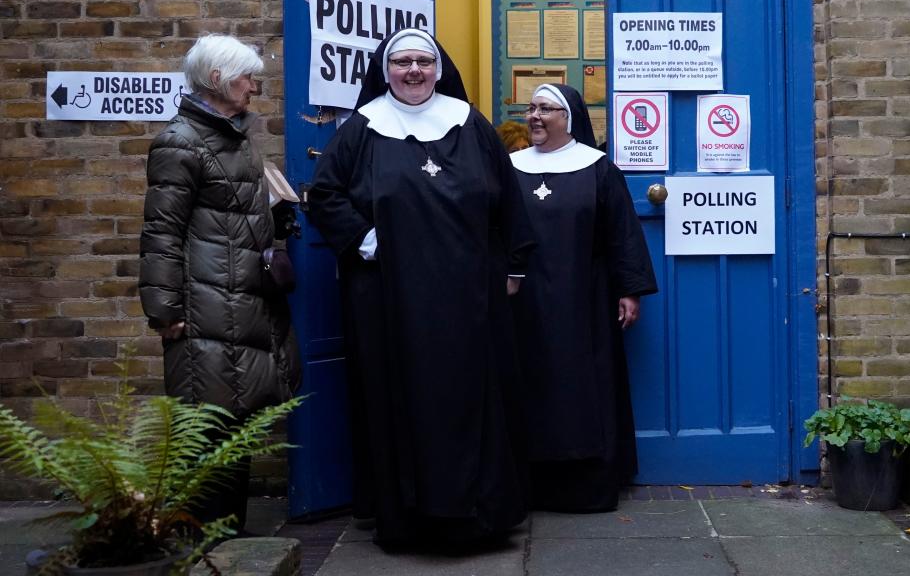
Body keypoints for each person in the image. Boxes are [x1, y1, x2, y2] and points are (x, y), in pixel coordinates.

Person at [307, 28, 536, 547]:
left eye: (424, 61)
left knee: (474, 395)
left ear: (439, 67)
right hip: (391, 298)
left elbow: (508, 203)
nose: (414, 71)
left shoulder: (470, 124)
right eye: (402, 62)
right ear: (385, 70)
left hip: (471, 295)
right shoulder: (363, 128)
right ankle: (407, 519)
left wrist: (515, 267)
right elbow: (324, 194)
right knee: (398, 396)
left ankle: (480, 515)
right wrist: (365, 241)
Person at [138, 34, 300, 531]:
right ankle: (206, 540)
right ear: (217, 81)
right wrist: (165, 311)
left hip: (243, 302)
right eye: (247, 78)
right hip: (206, 307)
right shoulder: (179, 141)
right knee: (208, 428)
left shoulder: (234, 135)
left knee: (236, 422)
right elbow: (161, 233)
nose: (255, 86)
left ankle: (227, 537)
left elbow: (225, 214)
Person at [510, 84, 657, 513]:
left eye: (546, 109)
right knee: (527, 382)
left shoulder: (597, 168)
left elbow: (621, 233)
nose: (535, 116)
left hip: (585, 299)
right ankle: (528, 484)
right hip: (523, 298)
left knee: (584, 385)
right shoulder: (510, 166)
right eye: (531, 108)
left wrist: (629, 290)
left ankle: (585, 486)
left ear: (569, 116)